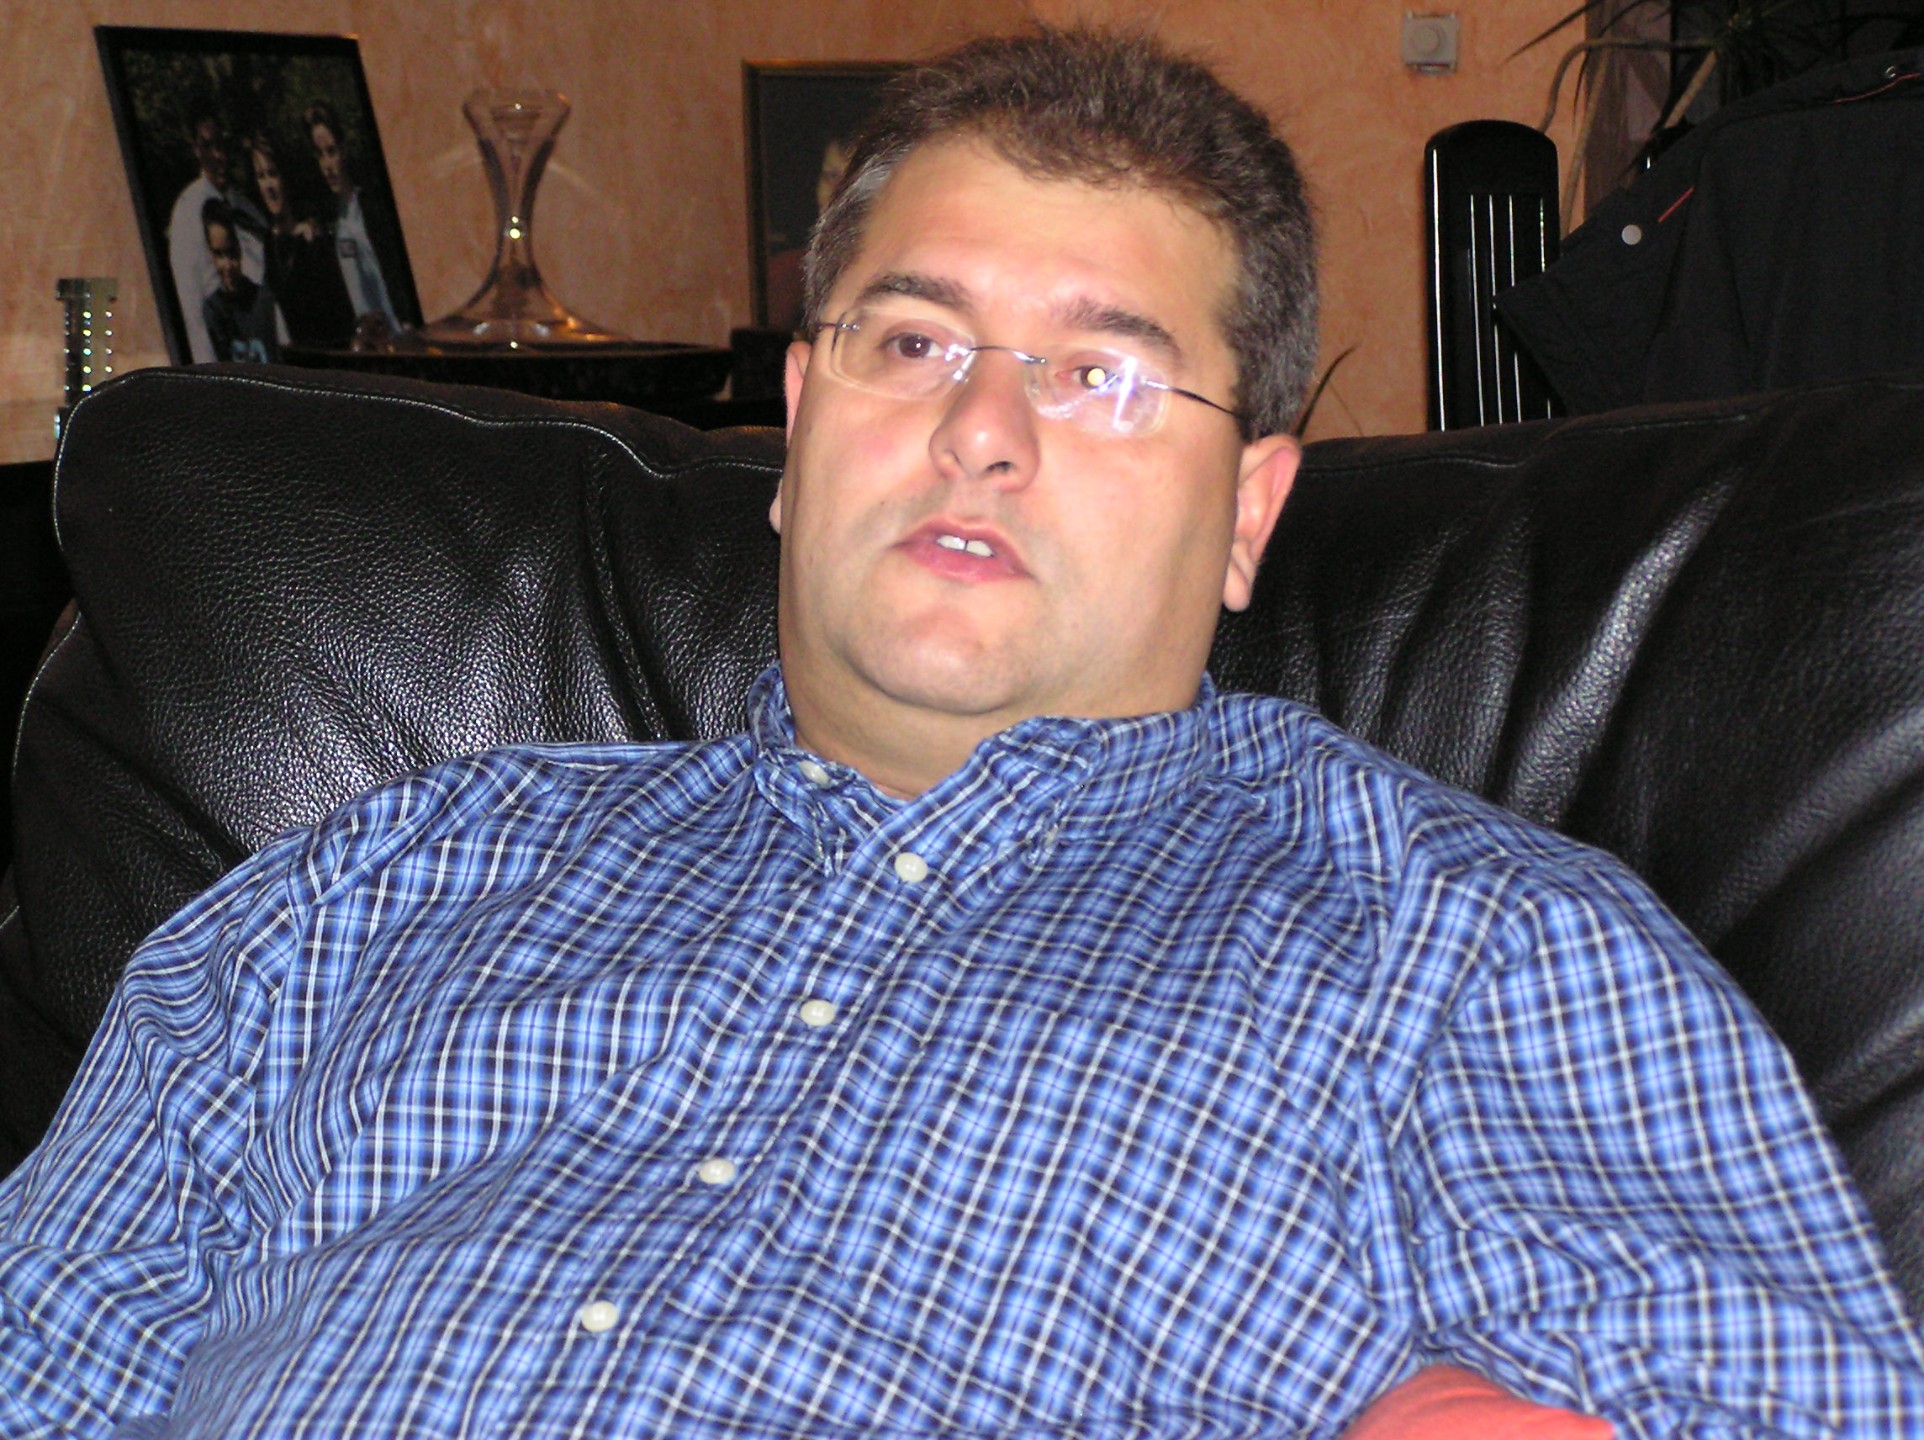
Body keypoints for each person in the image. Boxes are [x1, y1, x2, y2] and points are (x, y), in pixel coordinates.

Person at [1, 27, 1921, 1439]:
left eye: (1099, 374)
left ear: (1245, 513)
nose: (977, 431)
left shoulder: (1469, 946)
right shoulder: (371, 884)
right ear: (794, 439)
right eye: (909, 341)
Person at [166, 110, 268, 364]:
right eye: (208, 146)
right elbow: (191, 305)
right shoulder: (188, 212)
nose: (219, 156)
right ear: (196, 149)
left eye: (221, 145)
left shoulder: (247, 209)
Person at [248, 129, 357, 349]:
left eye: (273, 174)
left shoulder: (312, 237)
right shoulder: (269, 242)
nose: (268, 186)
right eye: (261, 177)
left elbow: (340, 313)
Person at [304, 98, 402, 340]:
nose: (327, 165)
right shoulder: (328, 222)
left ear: (343, 150)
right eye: (320, 155)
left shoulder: (371, 207)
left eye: (331, 152)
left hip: (397, 332)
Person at [199, 198, 280, 364]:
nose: (228, 265)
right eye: (219, 254)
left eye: (232, 253)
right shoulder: (214, 310)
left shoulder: (262, 298)